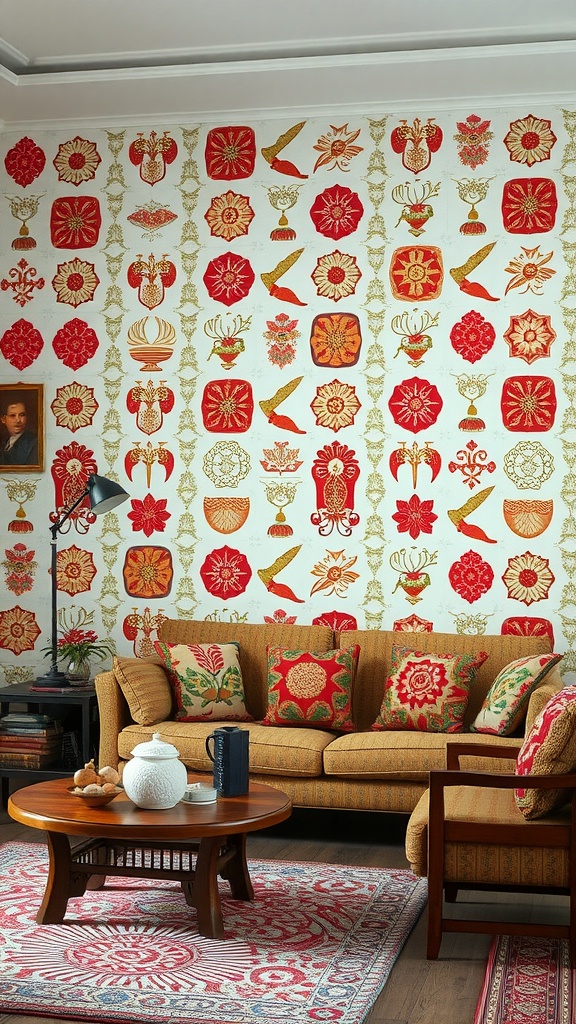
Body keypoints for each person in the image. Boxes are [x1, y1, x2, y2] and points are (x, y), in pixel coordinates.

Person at [0, 397, 38, 466]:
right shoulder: (4, 441)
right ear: (3, 419)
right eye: (12, 415)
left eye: (22, 415)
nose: (18, 420)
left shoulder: (34, 442)